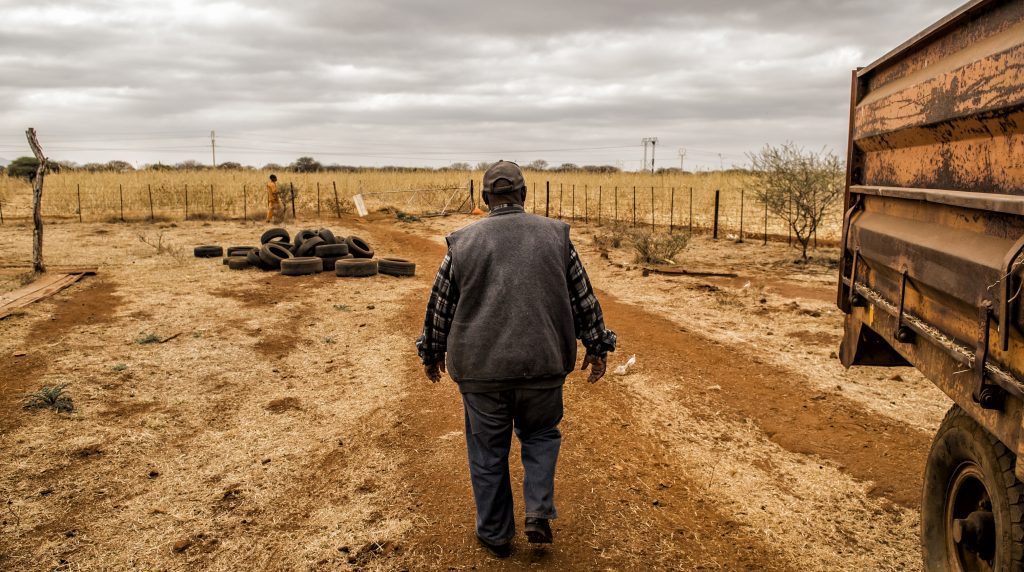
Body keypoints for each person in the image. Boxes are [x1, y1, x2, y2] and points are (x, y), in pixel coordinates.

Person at [416, 160, 616, 558]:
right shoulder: (555, 237)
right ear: (524, 195)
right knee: (541, 435)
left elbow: (440, 304)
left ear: (486, 198)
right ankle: (538, 510)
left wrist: (432, 351)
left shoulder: (462, 241)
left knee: (487, 453)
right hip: (543, 366)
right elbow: (583, 298)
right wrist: (596, 345)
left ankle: (495, 535)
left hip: (481, 371)